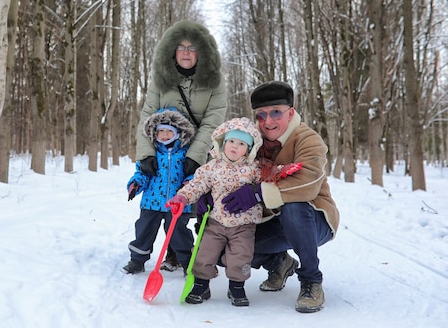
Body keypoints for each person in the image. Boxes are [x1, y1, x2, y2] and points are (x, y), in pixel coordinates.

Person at [218, 81, 340, 313]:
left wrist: (257, 193)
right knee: (224, 245)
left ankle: (311, 281)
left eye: (276, 113)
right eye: (261, 115)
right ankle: (279, 263)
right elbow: (227, 168)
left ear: (290, 112)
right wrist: (209, 194)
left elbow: (308, 183)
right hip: (271, 222)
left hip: (314, 220)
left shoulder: (307, 138)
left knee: (294, 207)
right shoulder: (252, 142)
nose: (268, 121)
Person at [135, 20, 227, 271]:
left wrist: (195, 157)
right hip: (165, 153)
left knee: (189, 206)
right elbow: (147, 116)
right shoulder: (160, 80)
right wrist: (145, 154)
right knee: (160, 204)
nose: (186, 52)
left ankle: (188, 253)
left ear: (202, 52)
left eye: (192, 47)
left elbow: (212, 122)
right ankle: (165, 253)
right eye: (181, 47)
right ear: (172, 51)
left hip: (197, 154)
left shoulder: (216, 83)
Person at [166, 117, 263, 306]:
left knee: (240, 256)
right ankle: (201, 285)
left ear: (249, 149)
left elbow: (268, 183)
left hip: (244, 225)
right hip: (215, 222)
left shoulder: (254, 169)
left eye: (241, 143)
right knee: (203, 253)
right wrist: (182, 197)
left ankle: (237, 287)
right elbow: (197, 184)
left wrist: (282, 173)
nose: (234, 146)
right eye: (231, 141)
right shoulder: (212, 167)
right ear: (223, 142)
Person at [122, 108, 196, 275]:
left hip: (177, 203)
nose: (163, 135)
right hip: (151, 202)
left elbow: (193, 174)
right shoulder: (151, 153)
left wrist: (188, 184)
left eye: (168, 131)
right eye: (160, 131)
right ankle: (137, 260)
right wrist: (135, 184)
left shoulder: (185, 153)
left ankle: (188, 264)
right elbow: (142, 172)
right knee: (144, 231)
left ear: (178, 133)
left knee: (179, 234)